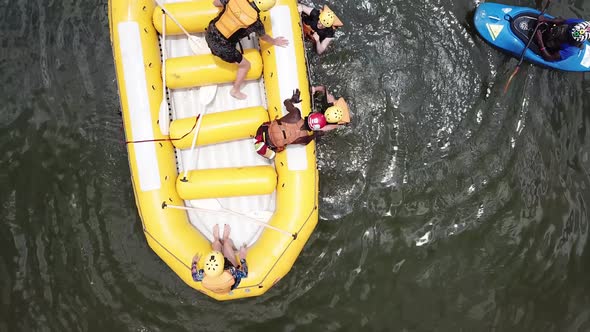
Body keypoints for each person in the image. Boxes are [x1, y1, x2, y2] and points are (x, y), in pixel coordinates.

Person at [206, 0, 289, 99]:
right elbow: (264, 37)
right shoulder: (256, 23)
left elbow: (215, 3)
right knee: (245, 65)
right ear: (265, 9)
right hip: (221, 48)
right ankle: (235, 90)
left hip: (209, 32)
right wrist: (275, 41)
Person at [254, 87, 350, 159]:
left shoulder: (295, 114)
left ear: (310, 115)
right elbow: (306, 142)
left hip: (264, 131)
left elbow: (285, 102)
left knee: (276, 129)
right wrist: (315, 135)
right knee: (281, 143)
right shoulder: (304, 137)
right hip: (271, 146)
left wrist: (292, 100)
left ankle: (261, 141)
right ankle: (264, 147)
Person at [191, 224, 249, 294]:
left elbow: (194, 277)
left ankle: (216, 239)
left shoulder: (203, 274)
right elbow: (244, 274)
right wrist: (242, 258)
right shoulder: (232, 272)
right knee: (227, 243)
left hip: (222, 278)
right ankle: (225, 238)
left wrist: (194, 263)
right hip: (229, 280)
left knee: (216, 244)